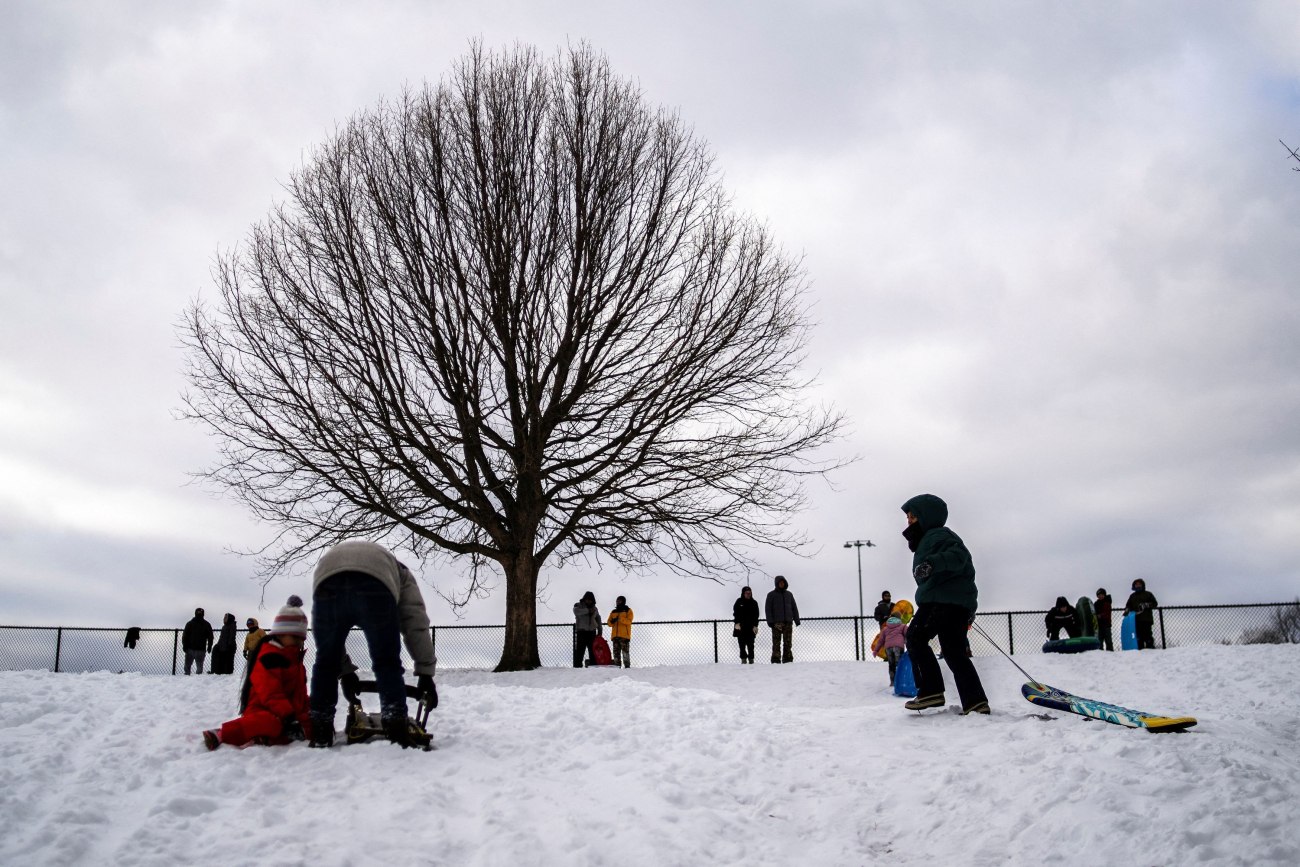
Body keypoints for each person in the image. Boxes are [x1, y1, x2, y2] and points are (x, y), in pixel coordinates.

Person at [308, 540, 438, 748]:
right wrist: (425, 672)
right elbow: (415, 622)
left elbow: (328, 642)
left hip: (327, 575)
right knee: (386, 660)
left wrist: (344, 670)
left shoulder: (338, 559)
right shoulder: (402, 572)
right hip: (376, 582)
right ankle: (395, 721)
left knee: (326, 660)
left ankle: (320, 727)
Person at [899, 494, 989, 715]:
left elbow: (959, 557)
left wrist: (931, 563)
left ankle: (931, 690)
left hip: (941, 600)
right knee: (953, 651)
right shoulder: (929, 538)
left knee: (915, 637)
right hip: (954, 602)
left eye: (913, 516)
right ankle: (975, 702)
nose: (909, 521)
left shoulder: (938, 535)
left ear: (926, 517)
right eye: (908, 517)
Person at [202, 597, 312, 750]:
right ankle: (222, 733)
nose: (300, 642)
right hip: (266, 710)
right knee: (271, 723)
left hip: (289, 714)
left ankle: (264, 738)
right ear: (280, 634)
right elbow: (271, 694)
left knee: (311, 723)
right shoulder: (269, 657)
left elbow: (299, 694)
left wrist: (310, 709)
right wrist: (289, 717)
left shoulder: (296, 661)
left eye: (301, 638)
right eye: (295, 637)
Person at [764, 575, 800, 663]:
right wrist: (770, 622)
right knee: (776, 643)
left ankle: (787, 659)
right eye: (780, 582)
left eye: (783, 582)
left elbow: (794, 607)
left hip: (788, 622)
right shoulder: (771, 595)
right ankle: (776, 660)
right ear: (776, 584)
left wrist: (796, 620)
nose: (781, 584)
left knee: (788, 643)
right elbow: (768, 609)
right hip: (776, 623)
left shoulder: (789, 594)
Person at [870, 605, 908, 685]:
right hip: (898, 647)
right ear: (899, 618)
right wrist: (908, 646)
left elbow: (880, 641)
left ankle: (892, 682)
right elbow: (908, 636)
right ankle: (900, 681)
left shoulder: (885, 628)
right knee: (899, 664)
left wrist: (876, 650)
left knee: (891, 664)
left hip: (888, 648)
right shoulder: (903, 626)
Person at [1124, 578, 1159, 650]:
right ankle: (1140, 649)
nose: (1138, 585)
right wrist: (1127, 610)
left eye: (1139, 584)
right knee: (1138, 636)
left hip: (1146, 619)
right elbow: (1128, 605)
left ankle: (1150, 648)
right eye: (1136, 584)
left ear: (1142, 585)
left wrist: (1146, 605)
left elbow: (1155, 603)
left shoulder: (1148, 594)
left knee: (1147, 635)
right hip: (1135, 620)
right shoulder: (1132, 596)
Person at [573, 592, 602, 668]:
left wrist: (600, 630)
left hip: (592, 632)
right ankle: (577, 667)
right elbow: (576, 612)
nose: (589, 601)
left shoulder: (595, 608)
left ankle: (593, 667)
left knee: (593, 651)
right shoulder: (578, 605)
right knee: (580, 651)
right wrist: (588, 611)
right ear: (584, 599)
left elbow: (598, 619)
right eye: (587, 599)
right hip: (581, 632)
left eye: (591, 600)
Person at [181, 608, 214, 675]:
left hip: (192, 649)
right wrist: (209, 646)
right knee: (198, 669)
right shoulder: (206, 624)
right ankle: (197, 681)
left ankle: (188, 679)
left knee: (188, 668)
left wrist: (185, 645)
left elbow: (185, 636)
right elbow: (210, 637)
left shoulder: (190, 623)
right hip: (199, 649)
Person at [732, 586, 760, 664]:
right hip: (740, 627)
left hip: (751, 628)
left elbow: (756, 615)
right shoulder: (739, 601)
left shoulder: (754, 603)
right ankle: (743, 659)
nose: (748, 594)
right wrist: (736, 623)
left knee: (751, 645)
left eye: (749, 593)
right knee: (741, 645)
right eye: (747, 593)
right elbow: (735, 613)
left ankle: (751, 660)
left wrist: (755, 625)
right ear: (743, 593)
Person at [606, 596, 634, 668]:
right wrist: (612, 621)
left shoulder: (628, 610)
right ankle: (617, 667)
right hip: (615, 636)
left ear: (623, 601)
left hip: (624, 636)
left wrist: (620, 619)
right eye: (617, 601)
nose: (618, 602)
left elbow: (629, 622)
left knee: (625, 653)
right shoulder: (613, 612)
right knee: (616, 653)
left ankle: (627, 667)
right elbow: (609, 623)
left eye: (619, 601)